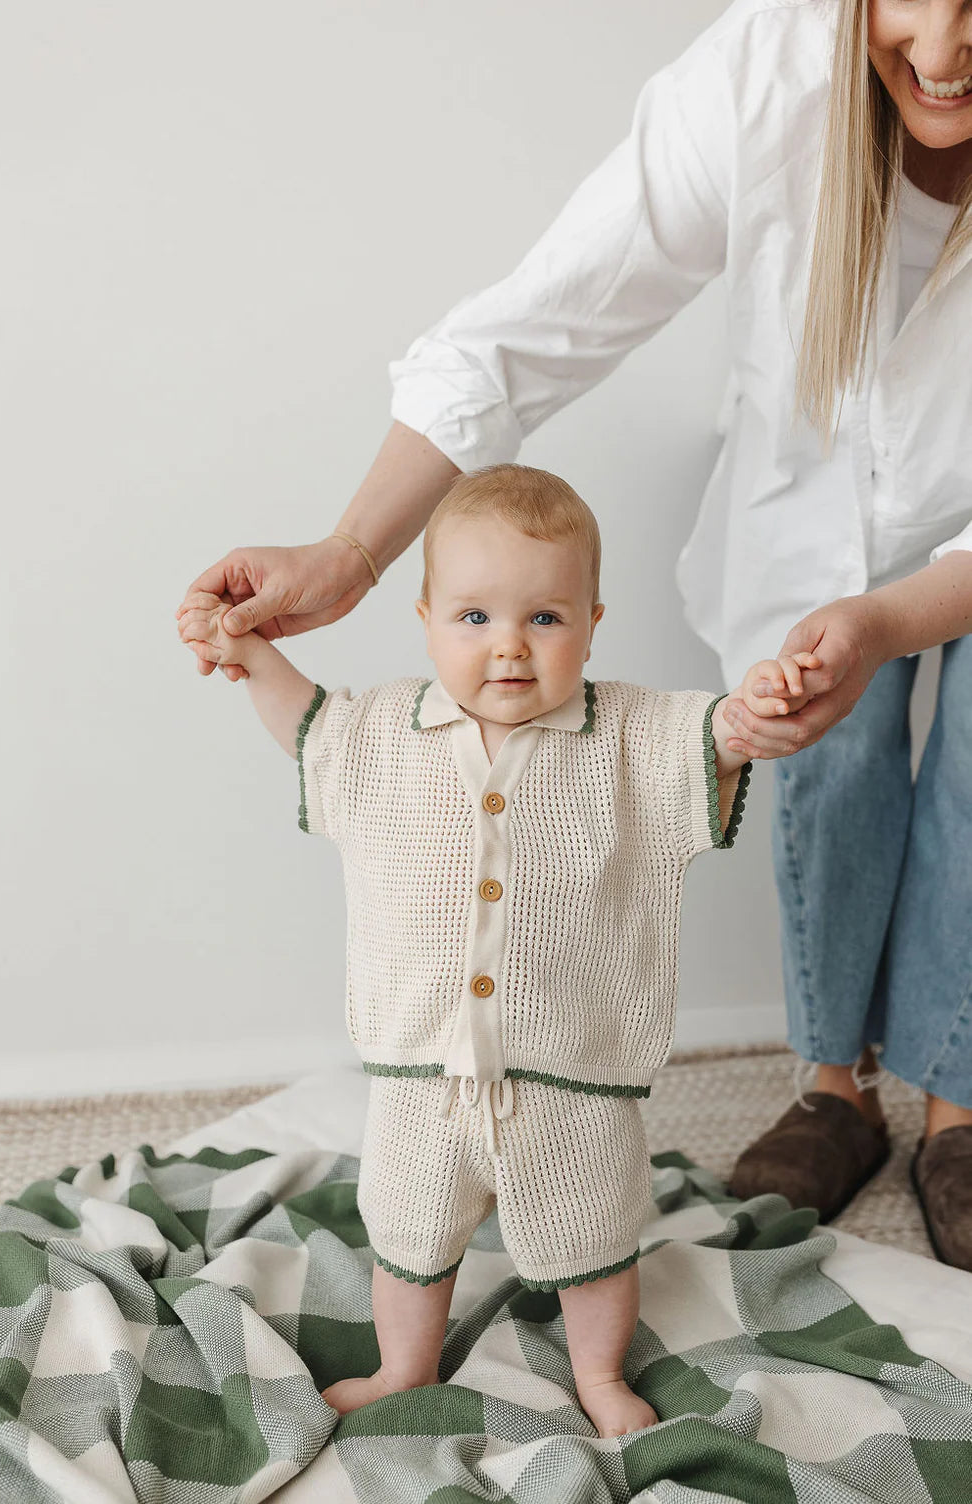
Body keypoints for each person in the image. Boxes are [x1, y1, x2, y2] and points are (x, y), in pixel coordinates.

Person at [179, 0, 972, 1266]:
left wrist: (888, 616)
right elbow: (541, 320)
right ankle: (834, 1085)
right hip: (811, 514)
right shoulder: (764, 75)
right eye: (910, 4)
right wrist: (350, 551)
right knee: (830, 759)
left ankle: (957, 1100)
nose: (936, 56)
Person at [177, 463, 818, 1436]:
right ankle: (404, 1366)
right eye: (474, 617)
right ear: (427, 618)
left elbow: (715, 735)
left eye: (544, 618)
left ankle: (597, 1374)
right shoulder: (387, 731)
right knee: (407, 1236)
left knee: (594, 1239)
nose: (509, 645)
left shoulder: (626, 734)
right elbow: (309, 730)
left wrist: (755, 706)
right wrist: (246, 648)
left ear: (591, 623)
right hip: (422, 1073)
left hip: (570, 1071)